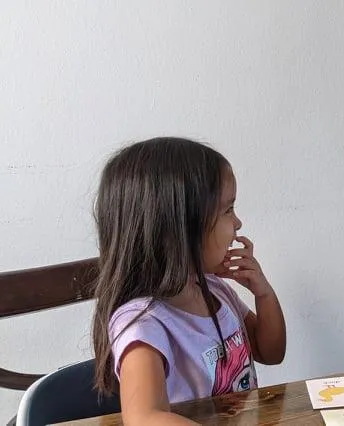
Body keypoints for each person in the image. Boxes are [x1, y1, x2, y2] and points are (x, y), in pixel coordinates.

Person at [90, 137, 286, 425]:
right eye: (228, 210)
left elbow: (271, 352)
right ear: (179, 227)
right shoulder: (143, 323)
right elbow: (144, 417)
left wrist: (264, 293)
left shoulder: (215, 291)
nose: (238, 223)